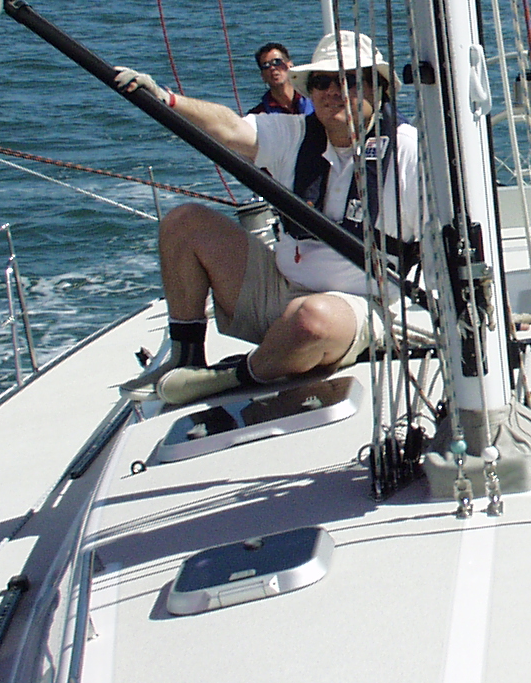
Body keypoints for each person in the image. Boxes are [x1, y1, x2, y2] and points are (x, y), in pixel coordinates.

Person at [115, 30, 420, 404]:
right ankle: (185, 358)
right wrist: (167, 100)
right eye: (321, 82)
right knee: (184, 222)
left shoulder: (409, 153)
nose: (333, 91)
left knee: (310, 319)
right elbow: (230, 127)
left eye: (350, 80)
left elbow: (442, 238)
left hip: (355, 308)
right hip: (280, 292)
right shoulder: (294, 135)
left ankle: (233, 376)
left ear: (379, 88)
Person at [247, 41, 314, 116]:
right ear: (262, 76)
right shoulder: (257, 115)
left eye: (277, 62)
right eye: (266, 65)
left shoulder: (315, 101)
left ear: (290, 65)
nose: (272, 68)